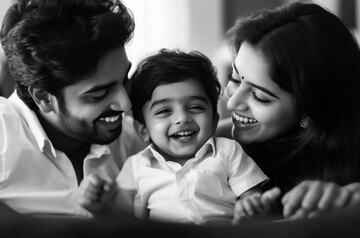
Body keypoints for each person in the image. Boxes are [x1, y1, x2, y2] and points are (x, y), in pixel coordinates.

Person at [78, 49, 269, 225]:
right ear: (143, 130)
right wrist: (102, 205)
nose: (182, 118)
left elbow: (252, 197)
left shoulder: (228, 151)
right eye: (164, 111)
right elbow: (126, 222)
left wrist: (252, 209)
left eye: (195, 107)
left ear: (214, 120)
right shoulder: (136, 167)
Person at [0, 0, 146, 217]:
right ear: (44, 97)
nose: (126, 104)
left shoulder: (132, 141)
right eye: (98, 94)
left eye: (124, 80)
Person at [218, 1, 360, 222]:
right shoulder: (218, 141)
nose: (232, 103)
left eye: (260, 97)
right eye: (235, 79)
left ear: (308, 111)